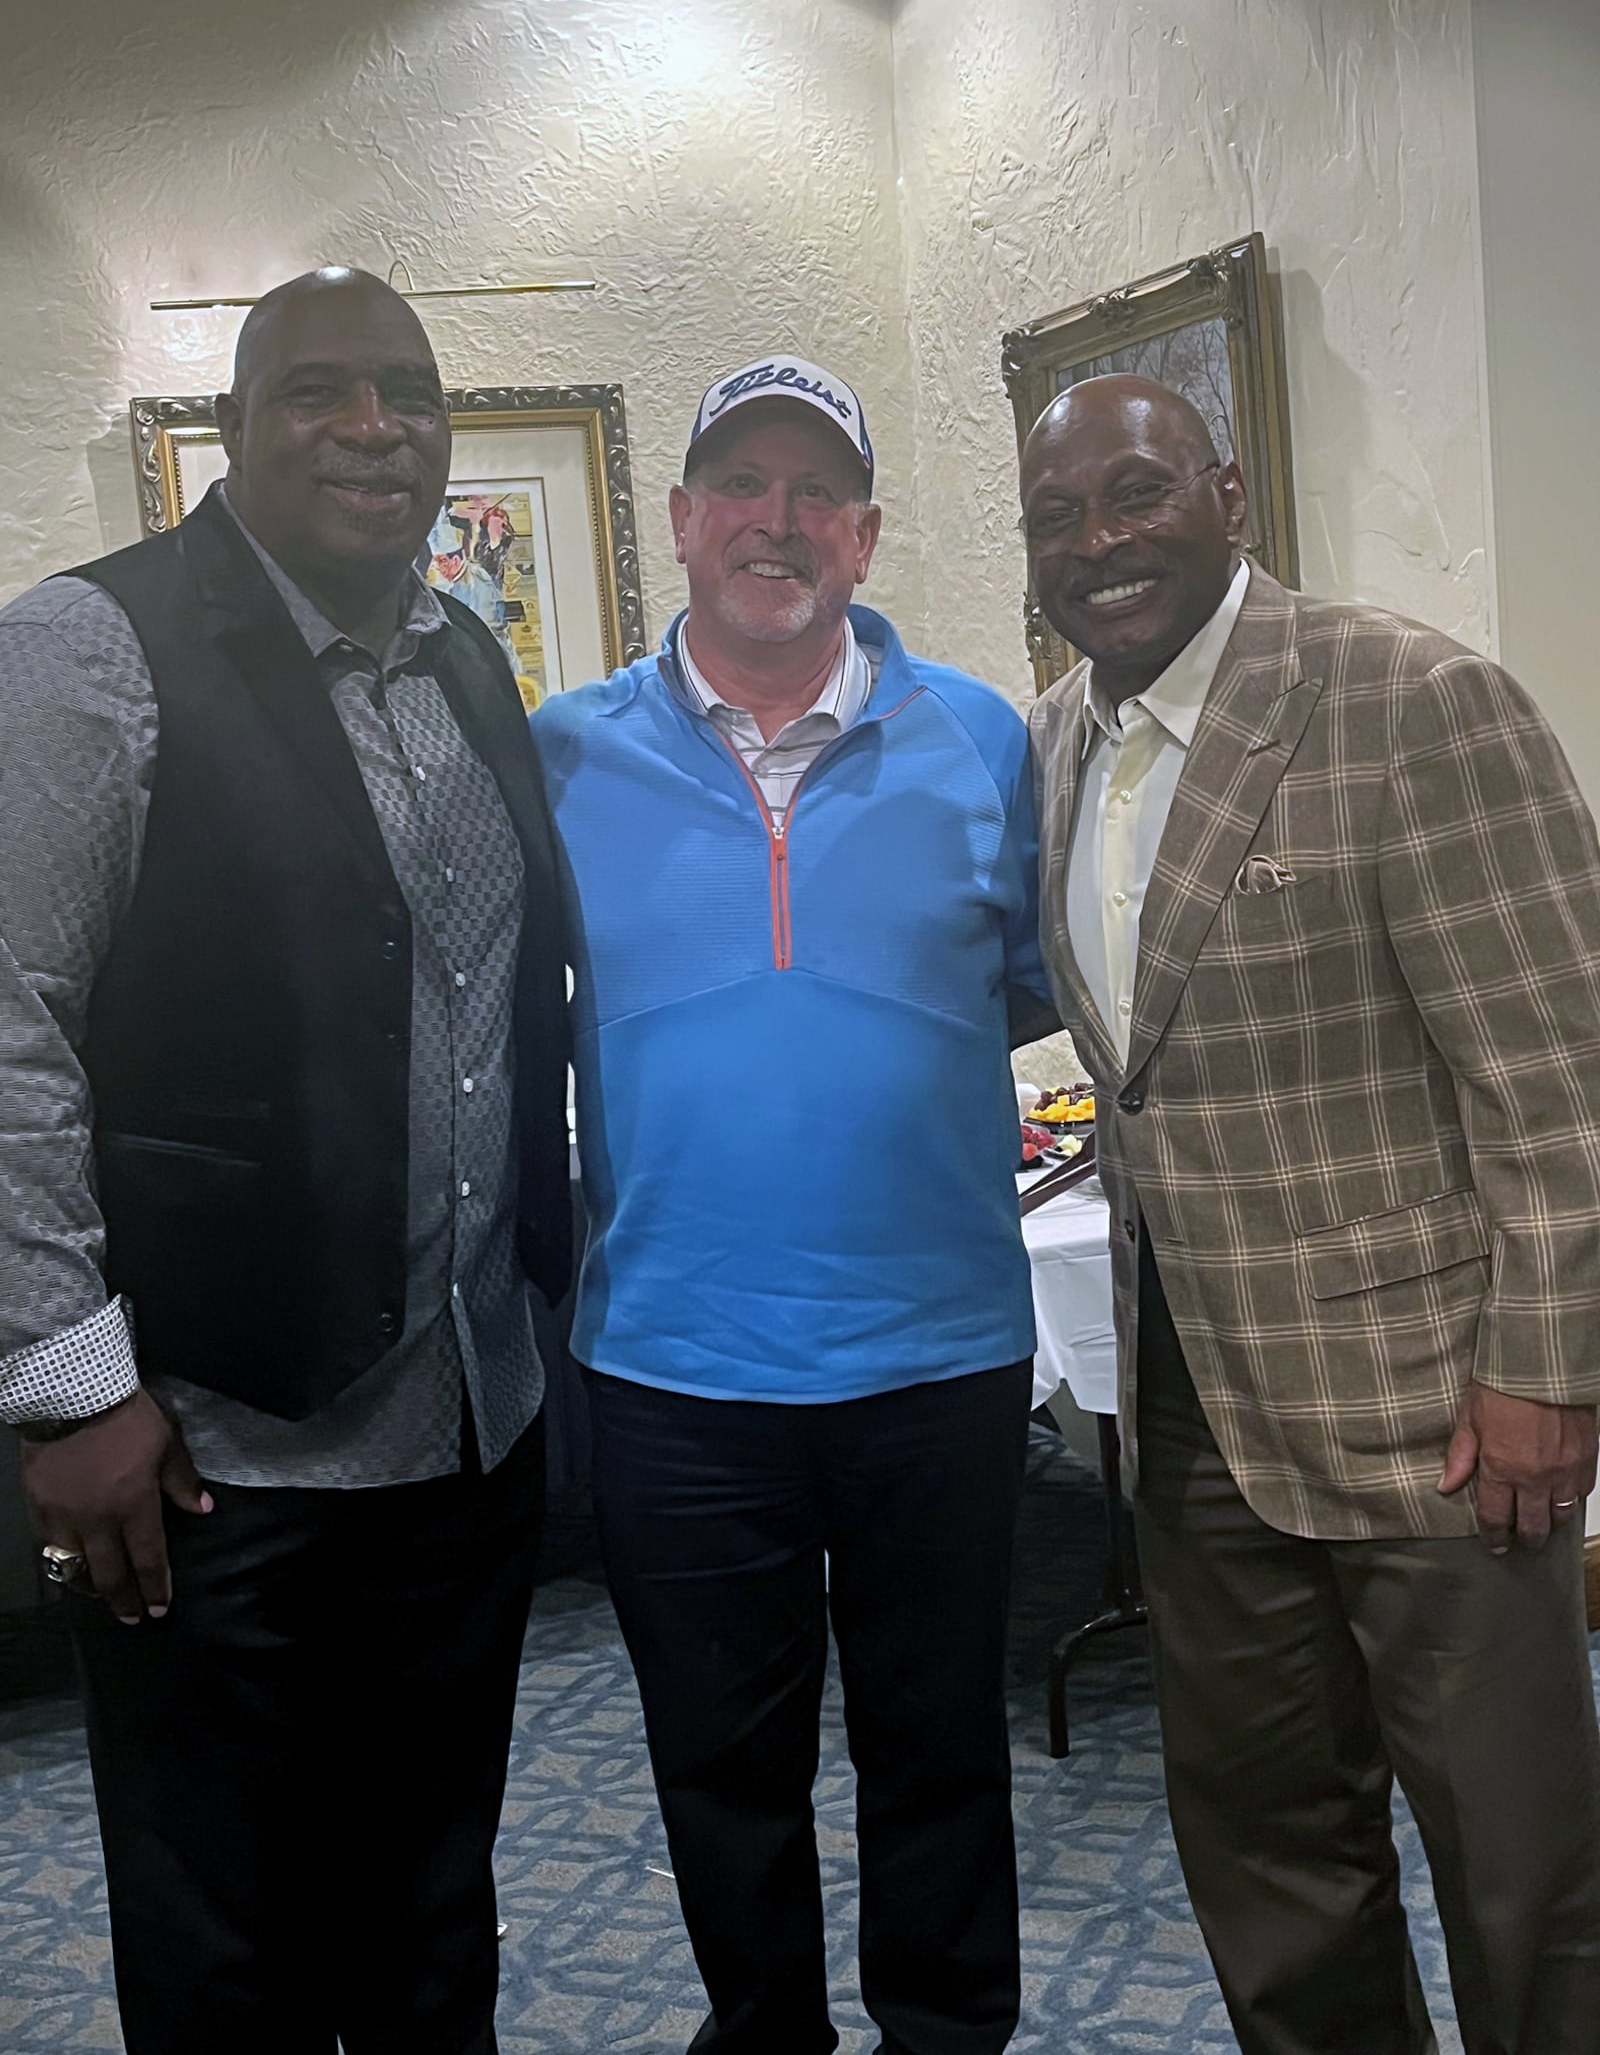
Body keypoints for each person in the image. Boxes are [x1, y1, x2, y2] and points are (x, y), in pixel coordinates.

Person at [0, 267, 572, 2053]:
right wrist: (69, 1386)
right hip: (215, 1447)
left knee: (428, 1908)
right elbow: (10, 1014)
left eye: (407, 390)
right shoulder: (93, 648)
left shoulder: (466, 652)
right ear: (230, 431)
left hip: (463, 1424)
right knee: (229, 1942)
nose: (373, 426)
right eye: (317, 389)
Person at [1022, 372, 1600, 2055]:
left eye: (1135, 494)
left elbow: (1559, 1084)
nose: (1098, 542)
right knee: (1271, 1864)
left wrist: (1550, 1371)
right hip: (1192, 1408)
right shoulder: (1056, 740)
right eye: (1058, 515)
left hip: (1441, 1412)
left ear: (1229, 492)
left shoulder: (1410, 701)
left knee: (1524, 1872)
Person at [530, 355, 1057, 2055]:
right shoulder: (562, 756)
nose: (779, 520)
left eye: (816, 491)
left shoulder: (983, 739)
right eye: (741, 485)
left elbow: (1048, 1002)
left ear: (868, 533)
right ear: (680, 522)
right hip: (677, 1364)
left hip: (939, 1355)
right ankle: (763, 2029)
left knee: (938, 1751)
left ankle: (946, 2030)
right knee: (719, 1766)